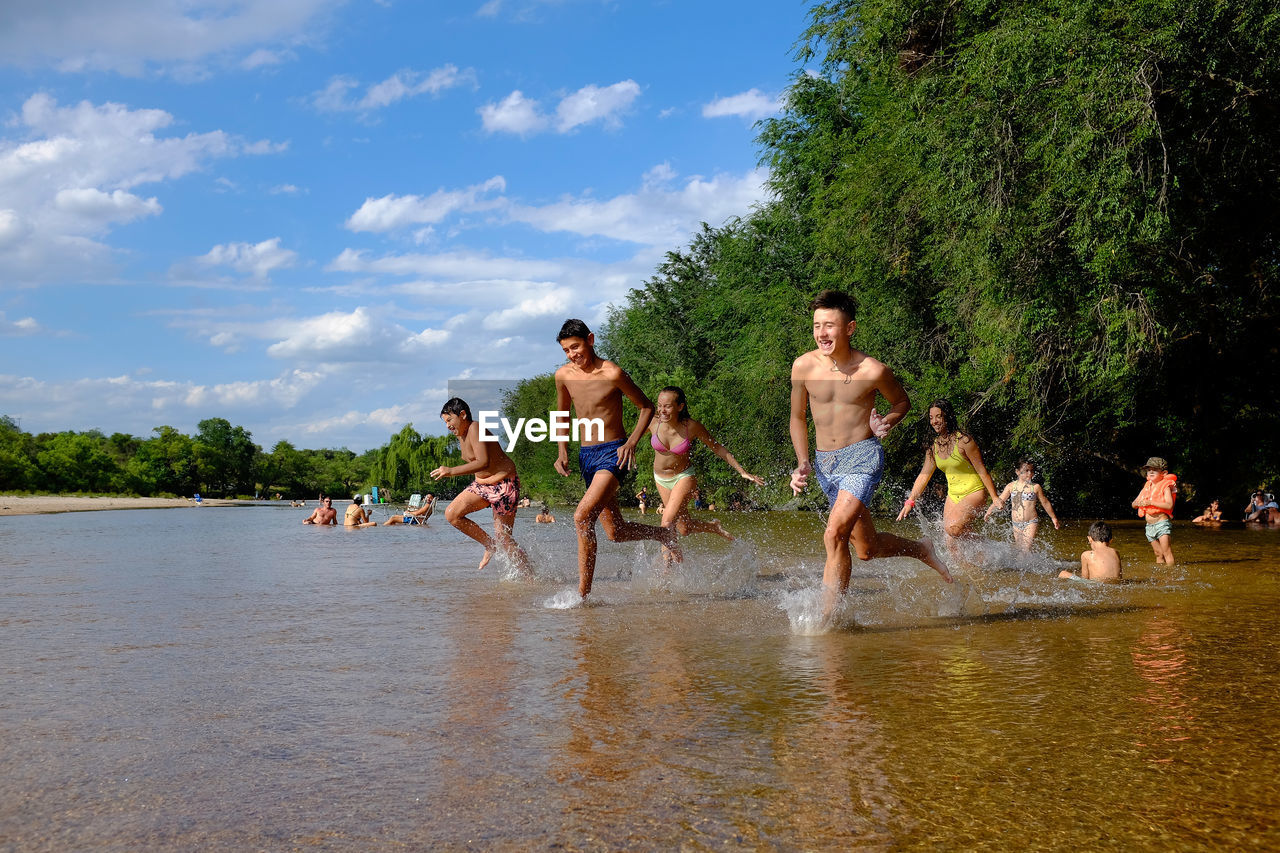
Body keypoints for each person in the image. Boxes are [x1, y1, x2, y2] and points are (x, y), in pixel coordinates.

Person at [789, 290, 952, 622]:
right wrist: (803, 460)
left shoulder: (873, 370)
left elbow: (901, 404)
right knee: (866, 549)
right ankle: (921, 549)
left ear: (849, 328)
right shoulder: (803, 366)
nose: (822, 333)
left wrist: (886, 422)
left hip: (862, 458)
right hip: (825, 463)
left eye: (830, 325)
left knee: (834, 533)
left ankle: (829, 621)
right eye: (817, 325)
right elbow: (797, 418)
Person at [553, 318, 680, 600]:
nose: (573, 354)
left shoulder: (612, 372)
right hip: (586, 455)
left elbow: (646, 407)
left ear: (591, 340)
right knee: (615, 532)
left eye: (576, 346)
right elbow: (562, 415)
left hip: (613, 452)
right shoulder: (563, 376)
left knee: (582, 517)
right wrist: (562, 450)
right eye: (566, 350)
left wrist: (632, 443)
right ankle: (664, 535)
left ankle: (582, 597)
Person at [648, 386, 764, 545]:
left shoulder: (692, 427)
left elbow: (717, 448)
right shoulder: (652, 422)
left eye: (667, 406)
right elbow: (630, 439)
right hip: (660, 479)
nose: (662, 410)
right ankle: (713, 527)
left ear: (680, 406)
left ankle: (667, 568)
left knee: (667, 523)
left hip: (683, 477)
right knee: (684, 528)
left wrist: (742, 471)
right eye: (660, 406)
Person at [431, 398, 532, 573]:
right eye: (445, 422)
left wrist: (451, 471)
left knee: (505, 540)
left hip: (504, 484)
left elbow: (483, 462)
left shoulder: (475, 428)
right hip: (481, 486)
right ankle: (489, 545)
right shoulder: (461, 435)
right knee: (452, 514)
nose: (447, 425)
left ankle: (530, 576)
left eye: (449, 420)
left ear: (462, 415)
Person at [897, 399, 1002, 559]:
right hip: (953, 495)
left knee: (953, 530)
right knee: (950, 543)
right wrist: (910, 501)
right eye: (931, 418)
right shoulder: (933, 447)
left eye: (938, 416)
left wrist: (994, 497)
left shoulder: (964, 441)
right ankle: (970, 571)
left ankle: (989, 547)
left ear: (948, 417)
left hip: (974, 491)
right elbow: (923, 476)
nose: (934, 421)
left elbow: (981, 470)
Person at [986, 460, 1061, 551]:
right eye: (1026, 470)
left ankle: (1025, 561)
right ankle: (1029, 563)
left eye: (1031, 470)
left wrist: (1053, 517)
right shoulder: (1011, 486)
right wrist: (989, 510)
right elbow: (1000, 499)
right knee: (1019, 549)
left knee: (1025, 549)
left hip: (1030, 522)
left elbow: (1045, 502)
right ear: (1017, 472)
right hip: (1016, 523)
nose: (1030, 473)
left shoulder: (1035, 487)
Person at [1132, 456, 1176, 564]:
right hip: (1149, 526)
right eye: (1149, 470)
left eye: (1155, 470)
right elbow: (1133, 504)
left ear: (1164, 473)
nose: (1151, 472)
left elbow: (1169, 505)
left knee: (1166, 552)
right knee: (1158, 553)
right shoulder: (1147, 486)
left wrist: (1151, 502)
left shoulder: (1165, 487)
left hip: (1162, 524)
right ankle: (1160, 577)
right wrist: (1137, 504)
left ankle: (1171, 577)